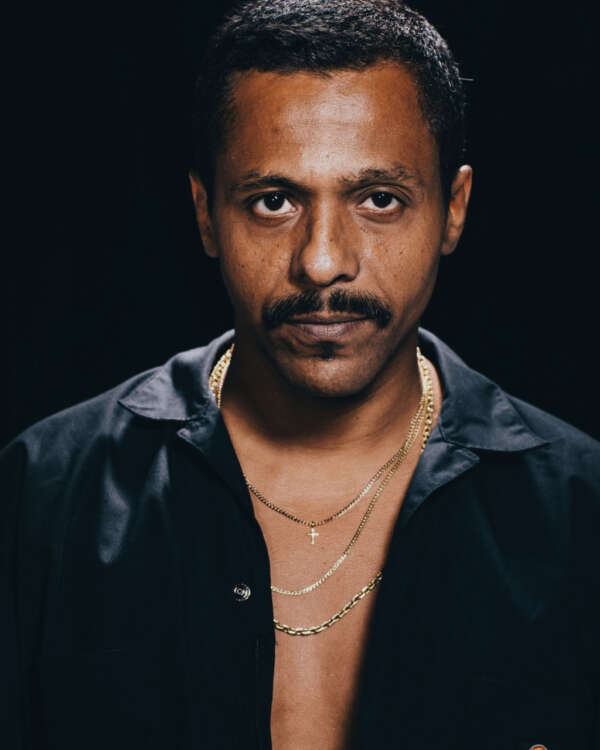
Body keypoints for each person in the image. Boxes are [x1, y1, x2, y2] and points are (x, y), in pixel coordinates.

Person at [2, 0, 599, 748]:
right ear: (205, 214)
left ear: (453, 209)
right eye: (274, 201)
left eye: (379, 199)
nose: (321, 261)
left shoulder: (581, 513)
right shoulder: (43, 497)